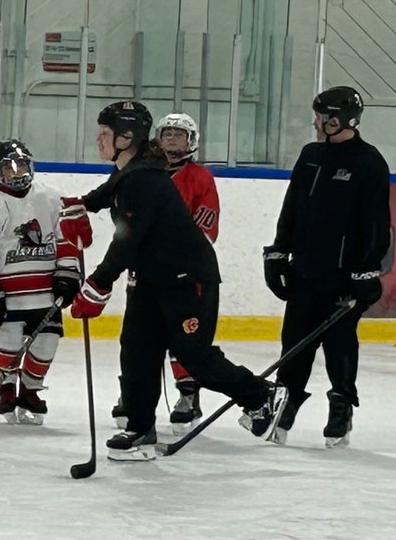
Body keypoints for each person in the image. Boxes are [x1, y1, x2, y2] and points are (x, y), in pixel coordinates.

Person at [63, 100, 280, 460]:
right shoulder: (133, 169)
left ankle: (260, 396)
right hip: (150, 278)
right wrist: (81, 204)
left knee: (193, 356)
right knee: (136, 352)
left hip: (187, 278)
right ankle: (139, 428)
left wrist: (99, 284)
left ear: (126, 138)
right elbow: (111, 189)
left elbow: (128, 239)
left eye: (105, 133)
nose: (98, 139)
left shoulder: (144, 179)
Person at [263, 86, 391, 448]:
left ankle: (341, 407)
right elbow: (291, 210)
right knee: (294, 344)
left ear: (337, 120)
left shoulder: (369, 162)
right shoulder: (311, 155)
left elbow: (378, 225)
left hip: (343, 278)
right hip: (304, 271)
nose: (316, 122)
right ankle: (285, 407)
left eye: (321, 116)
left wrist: (367, 272)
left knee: (339, 344)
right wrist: (277, 254)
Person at [0, 139, 82, 425]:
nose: (17, 173)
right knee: (7, 341)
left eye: (22, 166)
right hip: (10, 294)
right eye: (9, 168)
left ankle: (30, 390)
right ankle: (6, 389)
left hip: (46, 292)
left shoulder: (51, 197)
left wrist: (68, 272)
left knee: (46, 343)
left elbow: (66, 238)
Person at [154, 112, 220, 432]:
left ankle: (188, 396)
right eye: (166, 133)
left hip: (187, 271)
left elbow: (206, 227)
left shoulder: (200, 178)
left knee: (185, 333)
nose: (170, 139)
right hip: (150, 270)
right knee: (146, 334)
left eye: (178, 135)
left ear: (191, 141)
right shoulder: (147, 173)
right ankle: (136, 396)